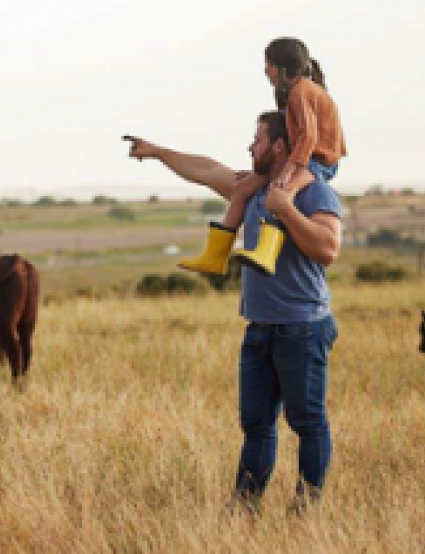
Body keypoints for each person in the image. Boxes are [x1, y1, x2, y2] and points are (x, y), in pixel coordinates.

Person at [124, 111, 342, 513]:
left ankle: (306, 509)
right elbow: (205, 169)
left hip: (302, 327)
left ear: (278, 146)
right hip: (259, 328)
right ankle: (244, 507)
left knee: (307, 422)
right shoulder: (252, 188)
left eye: (257, 141)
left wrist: (287, 210)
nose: (250, 147)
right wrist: (157, 152)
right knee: (256, 425)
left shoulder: (313, 192)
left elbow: (328, 249)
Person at [177, 38, 347, 276]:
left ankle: (267, 252)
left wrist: (286, 172)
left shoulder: (300, 92)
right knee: (243, 188)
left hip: (317, 162)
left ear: (281, 67)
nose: (265, 70)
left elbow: (308, 138)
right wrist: (265, 171)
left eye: (268, 64)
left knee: (280, 195)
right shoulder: (295, 92)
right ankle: (215, 256)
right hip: (303, 159)